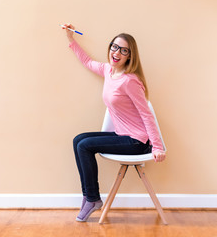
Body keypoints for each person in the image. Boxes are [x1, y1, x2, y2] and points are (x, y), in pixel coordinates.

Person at [62, 24, 166, 222]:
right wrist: (71, 40)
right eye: (114, 47)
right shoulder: (109, 71)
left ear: (130, 56)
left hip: (137, 142)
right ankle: (89, 196)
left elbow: (146, 114)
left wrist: (158, 146)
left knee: (85, 146)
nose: (117, 52)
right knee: (78, 140)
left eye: (124, 50)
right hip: (122, 135)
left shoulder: (130, 81)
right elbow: (88, 62)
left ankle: (93, 198)